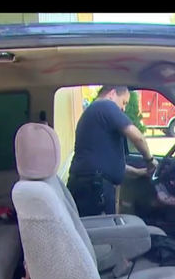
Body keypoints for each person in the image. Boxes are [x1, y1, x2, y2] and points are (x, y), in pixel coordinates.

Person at [67, 86, 158, 217]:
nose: (123, 108)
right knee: (102, 233)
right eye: (124, 102)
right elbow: (138, 137)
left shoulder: (93, 113)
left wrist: (138, 172)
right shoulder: (106, 106)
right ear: (112, 93)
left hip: (86, 185)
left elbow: (106, 162)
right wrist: (150, 161)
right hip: (95, 189)